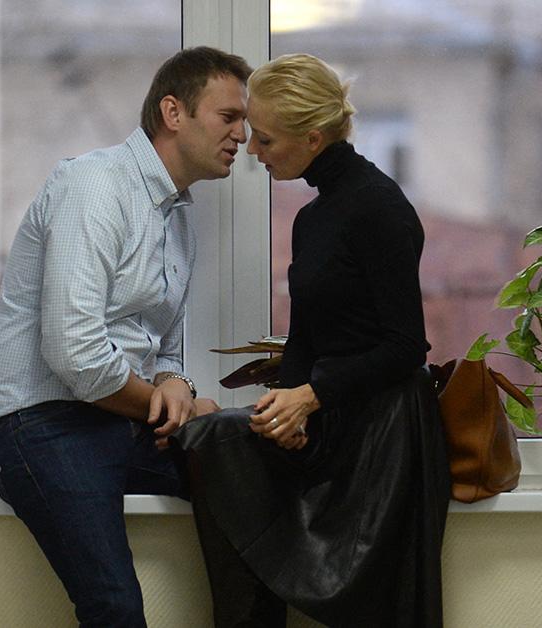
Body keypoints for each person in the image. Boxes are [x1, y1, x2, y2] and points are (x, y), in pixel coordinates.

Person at [173, 53, 451, 627]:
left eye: (266, 140)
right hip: (328, 415)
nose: (252, 150)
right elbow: (304, 338)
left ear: (314, 138)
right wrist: (287, 408)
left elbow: (406, 347)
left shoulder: (379, 206)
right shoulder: (312, 216)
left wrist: (311, 396)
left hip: (385, 435)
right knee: (213, 439)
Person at [0, 46, 251, 627]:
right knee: (115, 607)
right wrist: (168, 409)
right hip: (44, 425)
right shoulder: (94, 187)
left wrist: (177, 386)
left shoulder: (179, 215)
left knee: (253, 485)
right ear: (173, 112)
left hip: (120, 420)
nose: (244, 135)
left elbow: (167, 348)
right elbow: (75, 355)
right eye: (229, 117)